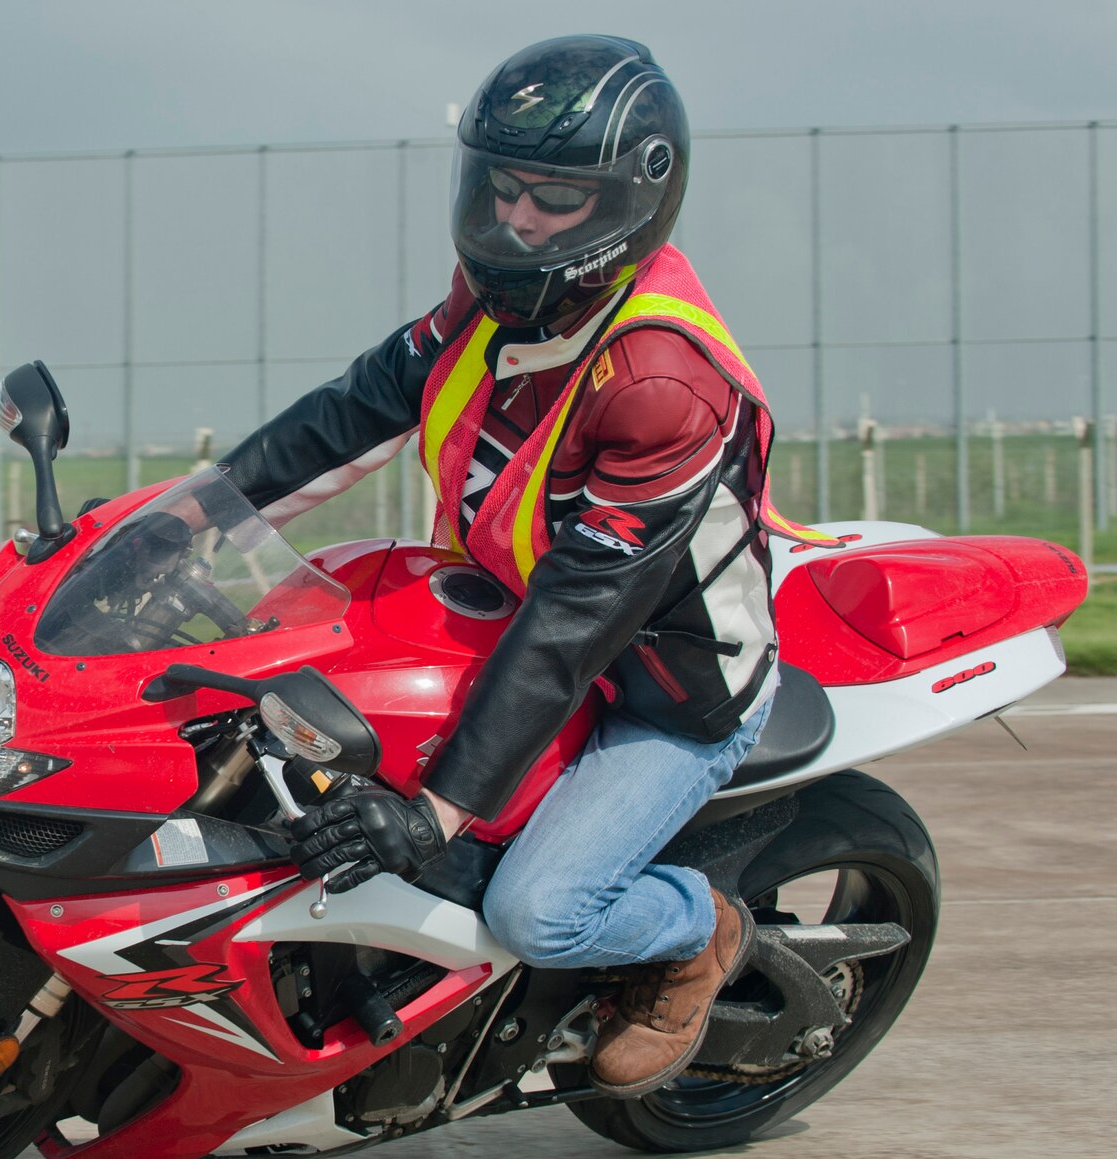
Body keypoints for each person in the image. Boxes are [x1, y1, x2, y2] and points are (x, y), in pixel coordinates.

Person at [219, 34, 835, 1097]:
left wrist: (438, 810)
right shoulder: (498, 299)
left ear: (627, 202)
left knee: (533, 909)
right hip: (511, 623)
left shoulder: (659, 381)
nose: (514, 218)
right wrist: (181, 518)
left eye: (550, 196)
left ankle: (695, 930)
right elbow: (354, 409)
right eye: (501, 188)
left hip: (658, 687)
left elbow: (578, 619)